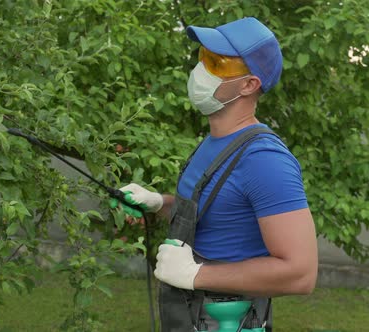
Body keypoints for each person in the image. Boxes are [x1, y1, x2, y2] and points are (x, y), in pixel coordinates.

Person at [115, 17, 318, 331]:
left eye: (217, 63)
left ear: (249, 84)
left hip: (227, 321)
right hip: (185, 316)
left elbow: (301, 273)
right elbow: (215, 215)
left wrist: (197, 275)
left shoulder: (264, 160)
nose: (201, 70)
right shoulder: (213, 144)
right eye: (202, 58)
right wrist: (158, 203)